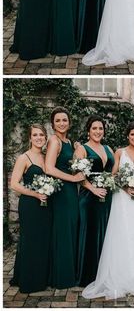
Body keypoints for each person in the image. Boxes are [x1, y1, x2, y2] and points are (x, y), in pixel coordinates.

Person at [82, 121, 134, 299]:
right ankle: (121, 275)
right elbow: (113, 175)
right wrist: (126, 187)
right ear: (127, 136)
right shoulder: (119, 152)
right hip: (123, 199)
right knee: (123, 234)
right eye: (132, 134)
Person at [45, 107, 84, 289]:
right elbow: (49, 168)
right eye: (58, 120)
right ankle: (62, 277)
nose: (62, 123)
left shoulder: (68, 142)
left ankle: (69, 272)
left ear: (69, 122)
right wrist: (73, 179)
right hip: (61, 192)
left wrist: (77, 149)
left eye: (64, 120)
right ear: (53, 124)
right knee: (63, 231)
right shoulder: (54, 141)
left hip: (70, 192)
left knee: (71, 229)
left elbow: (73, 165)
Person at [10, 124, 51, 293]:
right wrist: (34, 194)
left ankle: (42, 277)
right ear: (30, 138)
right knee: (30, 240)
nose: (39, 137)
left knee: (43, 241)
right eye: (35, 135)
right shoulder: (24, 158)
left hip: (46, 205)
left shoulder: (46, 157)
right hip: (30, 205)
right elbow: (13, 184)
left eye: (41, 134)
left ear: (45, 137)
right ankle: (29, 280)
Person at [75, 115, 115, 287]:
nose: (98, 131)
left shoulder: (108, 148)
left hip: (107, 197)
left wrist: (109, 183)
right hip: (89, 197)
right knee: (91, 233)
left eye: (101, 128)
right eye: (94, 129)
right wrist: (93, 189)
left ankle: (104, 272)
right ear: (88, 131)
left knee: (106, 233)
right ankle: (88, 275)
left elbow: (114, 172)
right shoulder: (82, 149)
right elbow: (77, 175)